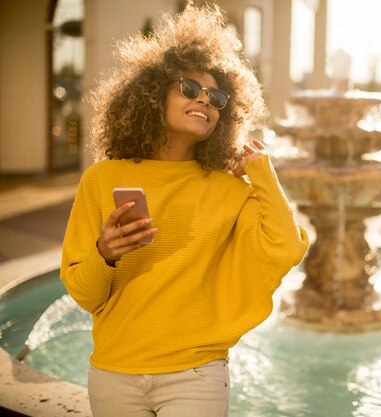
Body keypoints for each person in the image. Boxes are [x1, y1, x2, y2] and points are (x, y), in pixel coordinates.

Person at [60, 4, 309, 417]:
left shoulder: (230, 191)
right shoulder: (101, 180)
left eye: (217, 98)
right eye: (190, 90)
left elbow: (286, 248)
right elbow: (86, 296)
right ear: (154, 94)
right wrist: (104, 254)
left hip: (196, 374)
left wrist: (260, 170)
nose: (205, 102)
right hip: (113, 372)